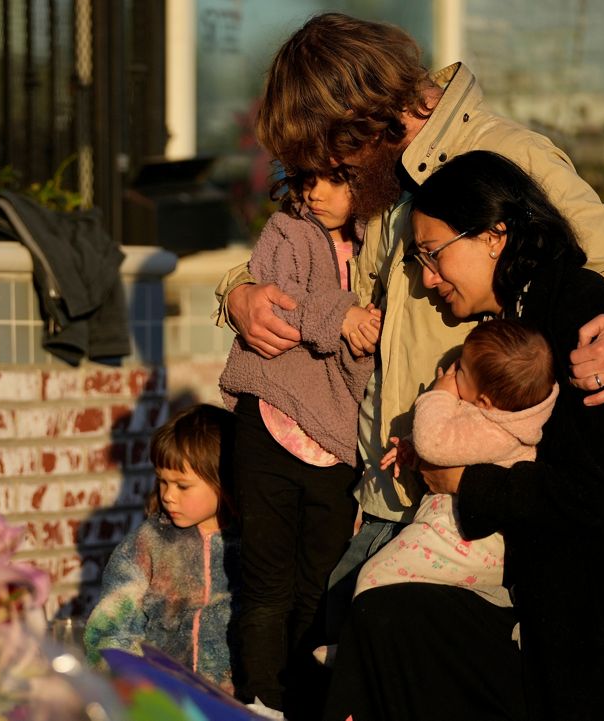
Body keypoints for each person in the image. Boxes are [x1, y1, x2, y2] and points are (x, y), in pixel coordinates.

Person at [213, 14, 604, 607]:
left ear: (366, 118)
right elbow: (303, 256)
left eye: (337, 159)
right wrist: (238, 292)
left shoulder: (507, 155)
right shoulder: (384, 176)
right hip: (381, 487)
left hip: (459, 506)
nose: (333, 179)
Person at [324, 150, 604, 720]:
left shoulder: (578, 316)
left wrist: (468, 484)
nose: (427, 279)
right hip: (602, 626)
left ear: (495, 236)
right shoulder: (528, 315)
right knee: (391, 620)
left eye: (433, 255)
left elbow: (594, 491)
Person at [218, 170, 378, 715]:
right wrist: (344, 315)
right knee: (266, 586)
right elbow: (278, 300)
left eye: (336, 180)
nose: (316, 193)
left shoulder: (384, 236)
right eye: (308, 179)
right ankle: (261, 703)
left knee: (320, 588)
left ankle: (308, 706)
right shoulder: (288, 228)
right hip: (272, 420)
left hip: (339, 442)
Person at [353, 319, 557, 608]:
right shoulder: (492, 417)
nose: (452, 371)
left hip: (464, 539)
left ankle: (353, 649)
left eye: (460, 369)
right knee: (406, 596)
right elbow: (447, 444)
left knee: (376, 577)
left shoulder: (498, 431)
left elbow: (435, 443)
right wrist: (411, 451)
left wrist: (439, 395)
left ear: (484, 401)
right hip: (453, 533)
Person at [82, 404, 240, 693]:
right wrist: (131, 685)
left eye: (182, 486)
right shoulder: (146, 543)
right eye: (163, 481)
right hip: (161, 700)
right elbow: (109, 627)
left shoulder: (252, 544)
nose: (167, 496)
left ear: (223, 481)